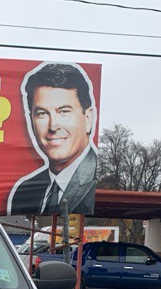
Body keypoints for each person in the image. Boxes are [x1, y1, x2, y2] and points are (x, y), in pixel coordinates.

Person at [7, 63, 97, 216]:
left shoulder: (98, 182)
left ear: (88, 118)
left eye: (64, 111)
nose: (53, 126)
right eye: (42, 113)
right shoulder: (23, 192)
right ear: (31, 121)